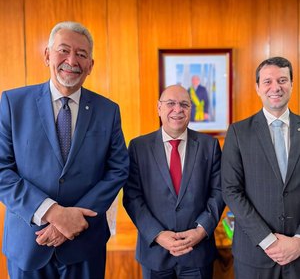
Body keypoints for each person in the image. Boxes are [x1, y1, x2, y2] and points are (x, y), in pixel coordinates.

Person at [0, 21, 129, 278]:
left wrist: (73, 221)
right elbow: (2, 170)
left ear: (91, 65)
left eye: (81, 54)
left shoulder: (108, 110)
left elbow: (118, 169)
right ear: (47, 55)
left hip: (86, 244)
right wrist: (53, 212)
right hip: (30, 242)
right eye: (64, 50)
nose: (72, 60)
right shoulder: (13, 103)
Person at [123, 85, 224, 279]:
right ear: (159, 108)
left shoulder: (209, 146)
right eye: (170, 103)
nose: (177, 110)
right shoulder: (138, 147)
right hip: (154, 253)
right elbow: (132, 197)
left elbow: (218, 192)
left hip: (198, 252)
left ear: (190, 110)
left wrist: (200, 231)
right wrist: (158, 235)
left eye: (184, 104)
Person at [221, 56, 300, 279]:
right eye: (267, 81)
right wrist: (268, 240)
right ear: (257, 87)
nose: (275, 87)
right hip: (255, 255)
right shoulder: (238, 132)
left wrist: (298, 241)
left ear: (292, 84)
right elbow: (231, 191)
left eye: (282, 80)